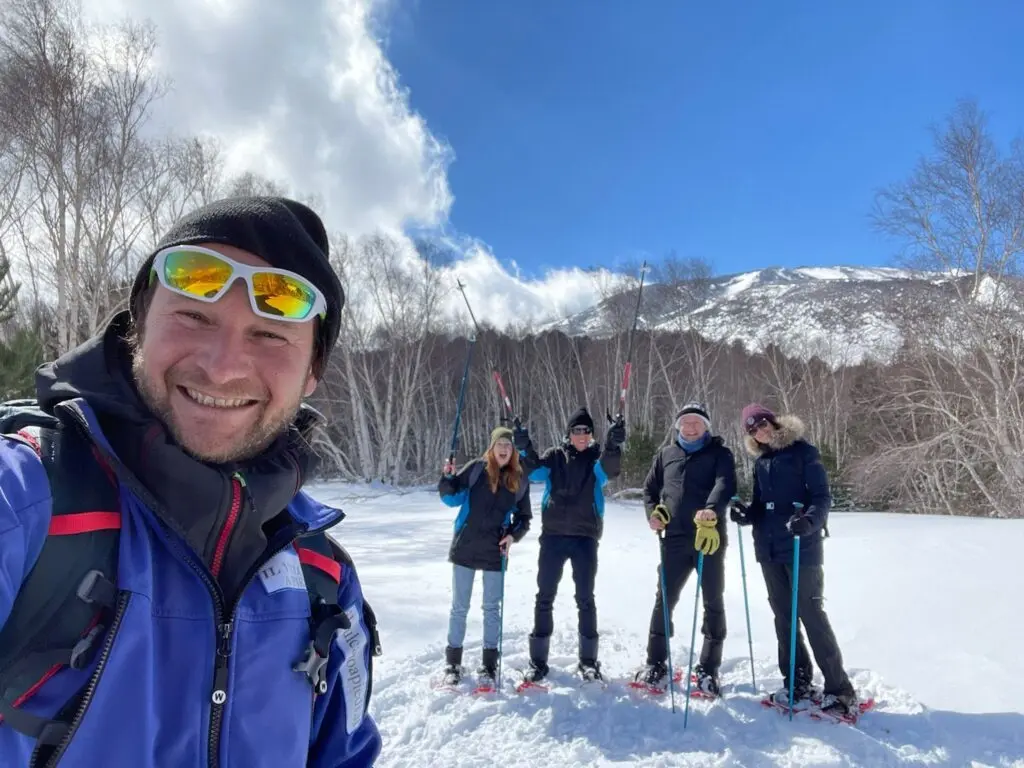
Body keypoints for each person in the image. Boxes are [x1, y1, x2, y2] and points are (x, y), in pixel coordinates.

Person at [0, 196, 381, 766]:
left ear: (312, 373)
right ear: (138, 329)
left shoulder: (324, 576)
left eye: (270, 335)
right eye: (194, 317)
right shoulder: (30, 499)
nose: (223, 366)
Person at [730, 403, 858, 716]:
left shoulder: (804, 452)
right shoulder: (762, 463)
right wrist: (747, 514)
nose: (760, 431)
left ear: (773, 422)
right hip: (769, 548)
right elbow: (762, 505)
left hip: (802, 545)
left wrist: (810, 521)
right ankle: (797, 681)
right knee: (784, 617)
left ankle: (840, 692)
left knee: (811, 613)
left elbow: (821, 497)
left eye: (762, 424)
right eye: (752, 430)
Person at [513, 407, 624, 683]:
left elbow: (611, 469)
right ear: (569, 433)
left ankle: (588, 662)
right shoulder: (554, 457)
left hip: (585, 539)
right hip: (553, 537)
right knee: (544, 597)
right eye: (577, 430)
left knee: (585, 599)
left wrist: (613, 444)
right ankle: (537, 662)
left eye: (586, 431)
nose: (582, 435)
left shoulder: (596, 459)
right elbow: (535, 473)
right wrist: (525, 448)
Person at [635, 402, 736, 696]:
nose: (690, 428)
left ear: (706, 427)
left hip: (708, 538)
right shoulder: (666, 455)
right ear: (677, 427)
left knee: (713, 601)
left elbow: (725, 483)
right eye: (685, 423)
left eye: (697, 423)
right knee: (664, 599)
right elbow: (649, 490)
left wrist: (711, 509)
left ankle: (708, 670)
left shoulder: (720, 454)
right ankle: (655, 664)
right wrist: (653, 513)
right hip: (674, 540)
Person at [438, 426, 532, 686]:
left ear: (513, 451)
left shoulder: (518, 479)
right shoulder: (477, 469)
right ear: (491, 447)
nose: (504, 449)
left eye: (508, 446)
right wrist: (447, 478)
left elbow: (525, 518)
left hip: (495, 549)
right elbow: (451, 498)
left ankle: (489, 665)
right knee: (460, 607)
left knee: (492, 608)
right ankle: (453, 664)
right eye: (500, 444)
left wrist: (512, 536)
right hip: (466, 546)